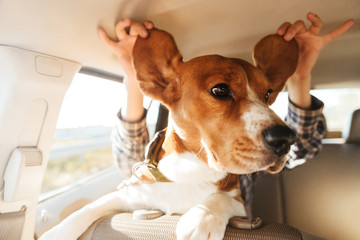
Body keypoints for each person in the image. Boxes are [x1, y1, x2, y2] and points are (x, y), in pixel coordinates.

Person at [98, 13, 354, 214]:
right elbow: (130, 163)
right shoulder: (162, 145)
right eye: (221, 90)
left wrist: (299, 77)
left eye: (265, 96)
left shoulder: (241, 165)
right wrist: (135, 77)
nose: (264, 110)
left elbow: (300, 149)